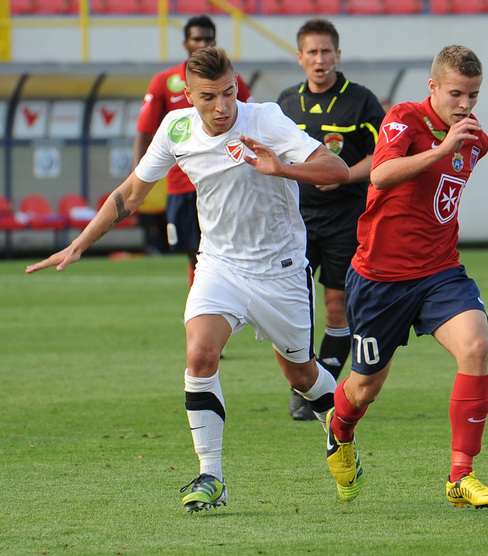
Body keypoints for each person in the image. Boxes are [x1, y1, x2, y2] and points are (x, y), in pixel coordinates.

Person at [27, 47, 350, 514]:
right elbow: (131, 193)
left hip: (279, 270)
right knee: (199, 355)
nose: (222, 107)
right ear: (188, 95)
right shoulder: (176, 128)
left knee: (301, 374)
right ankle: (211, 476)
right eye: (208, 97)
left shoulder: (265, 120)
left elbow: (337, 169)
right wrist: (80, 243)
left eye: (228, 93)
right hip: (220, 264)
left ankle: (341, 434)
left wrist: (280, 166)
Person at [324, 45, 488, 508]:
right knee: (365, 388)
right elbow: (380, 175)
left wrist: (452, 147)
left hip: (440, 271)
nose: (465, 105)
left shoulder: (476, 141)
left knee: (476, 346)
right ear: (433, 86)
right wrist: (442, 149)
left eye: (474, 96)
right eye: (456, 94)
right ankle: (340, 430)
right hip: (380, 279)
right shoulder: (404, 118)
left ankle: (461, 475)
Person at [277, 18, 386, 421]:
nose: (319, 59)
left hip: (346, 219)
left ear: (338, 55)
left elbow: (384, 154)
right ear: (300, 57)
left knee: (336, 307)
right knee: (293, 307)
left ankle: (318, 386)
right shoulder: (286, 103)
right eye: (312, 52)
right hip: (296, 221)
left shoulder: (360, 100)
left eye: (326, 52)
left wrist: (344, 174)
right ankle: (305, 382)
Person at [134, 15, 253, 288]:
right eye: (196, 39)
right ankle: (203, 305)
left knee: (228, 253)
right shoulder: (164, 81)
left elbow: (252, 120)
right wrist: (138, 179)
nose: (202, 44)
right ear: (185, 43)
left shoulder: (232, 81)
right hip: (182, 185)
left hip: (225, 180)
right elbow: (144, 131)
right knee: (194, 255)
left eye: (208, 39)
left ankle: (225, 303)